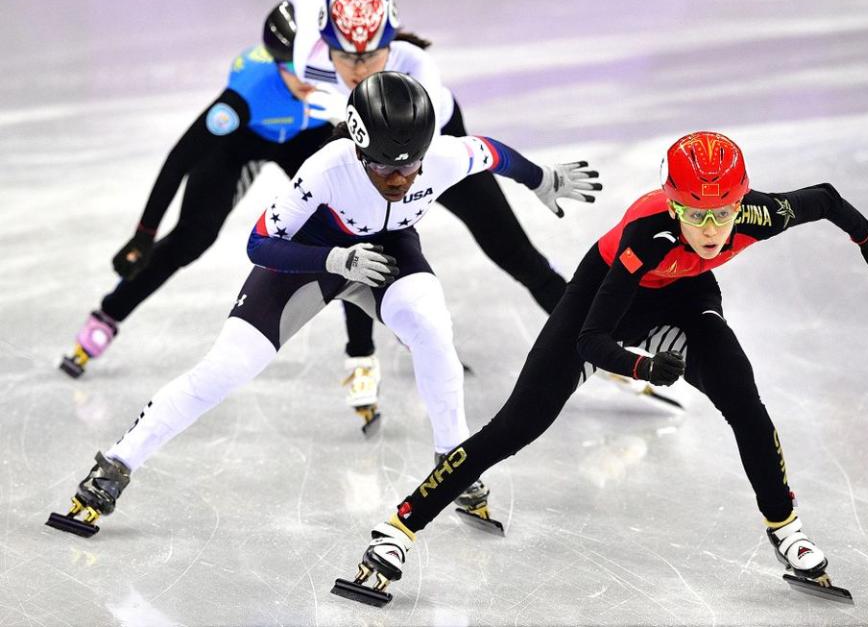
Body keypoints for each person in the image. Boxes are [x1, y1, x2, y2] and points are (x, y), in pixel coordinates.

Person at [333, 131, 868, 606]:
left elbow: (823, 198)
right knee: (515, 427)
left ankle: (787, 530)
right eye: (696, 215)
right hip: (604, 298)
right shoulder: (646, 234)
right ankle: (397, 529)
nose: (711, 229)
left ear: (740, 201)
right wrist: (643, 367)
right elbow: (592, 339)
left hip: (685, 297)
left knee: (747, 407)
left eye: (723, 213)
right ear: (674, 206)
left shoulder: (758, 213)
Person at [46, 72, 601, 539]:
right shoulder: (327, 168)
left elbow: (492, 153)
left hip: (388, 257)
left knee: (434, 329)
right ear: (359, 149)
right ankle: (117, 463)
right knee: (226, 368)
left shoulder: (443, 158)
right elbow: (258, 244)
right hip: (308, 260)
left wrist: (542, 179)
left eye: (410, 170)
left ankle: (452, 465)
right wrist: (336, 260)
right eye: (385, 170)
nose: (401, 182)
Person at [225, 0, 572, 427]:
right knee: (350, 240)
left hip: (432, 151)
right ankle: (360, 359)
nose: (360, 68)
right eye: (346, 55)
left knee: (515, 253)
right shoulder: (310, 56)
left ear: (392, 46)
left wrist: (532, 176)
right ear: (327, 43)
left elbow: (453, 149)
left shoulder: (418, 69)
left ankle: (590, 335)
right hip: (368, 152)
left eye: (372, 55)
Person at [59, 1, 344, 378]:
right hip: (244, 141)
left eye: (312, 64)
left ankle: (388, 315)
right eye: (293, 67)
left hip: (303, 135)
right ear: (277, 63)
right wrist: (144, 235)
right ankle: (108, 315)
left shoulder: (333, 73)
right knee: (192, 239)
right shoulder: (245, 96)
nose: (308, 77)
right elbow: (180, 159)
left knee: (346, 214)